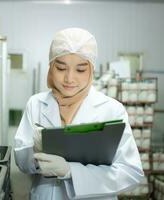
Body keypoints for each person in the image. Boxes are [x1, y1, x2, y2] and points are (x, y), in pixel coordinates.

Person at [14, 28, 144, 200]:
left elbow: (130, 172)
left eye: (80, 70)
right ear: (51, 67)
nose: (69, 78)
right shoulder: (36, 104)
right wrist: (35, 156)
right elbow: (21, 162)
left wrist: (71, 172)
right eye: (61, 68)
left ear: (91, 70)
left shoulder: (111, 110)